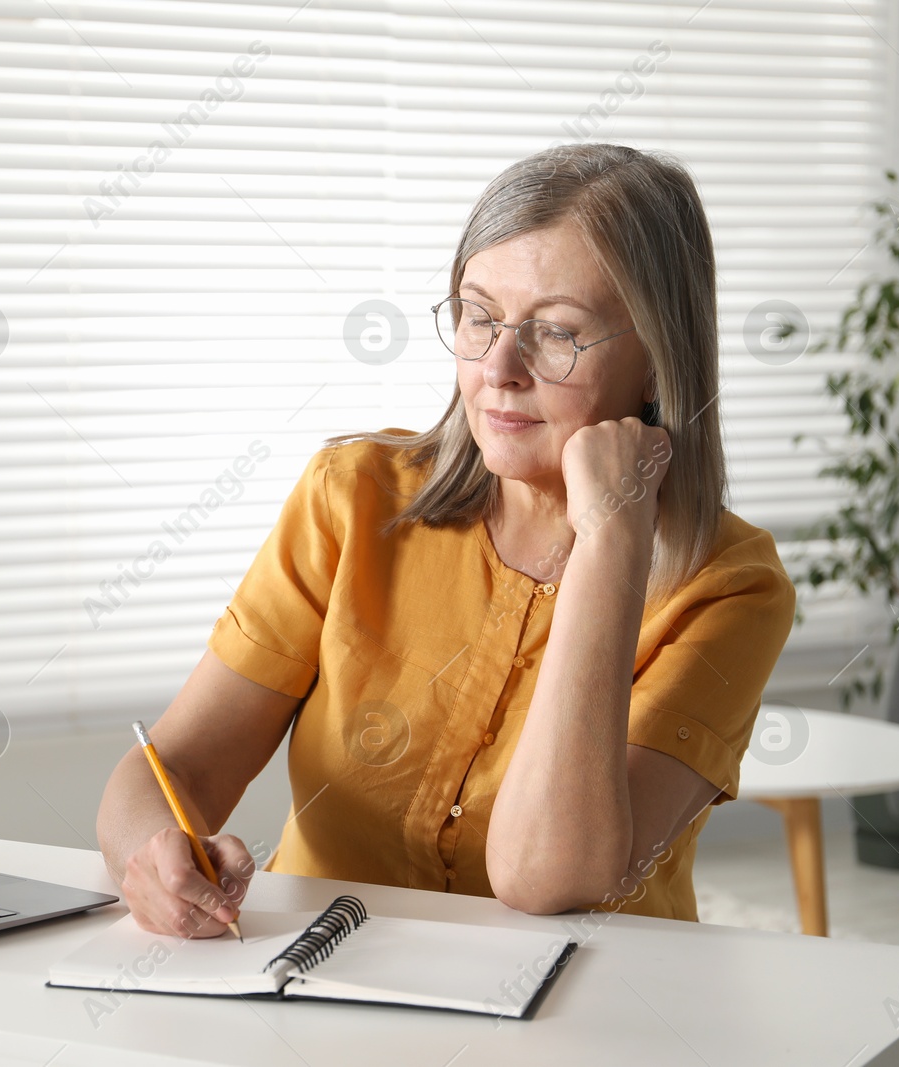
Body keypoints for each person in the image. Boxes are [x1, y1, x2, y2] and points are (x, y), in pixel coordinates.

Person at [95, 143, 797, 938]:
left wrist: (610, 541)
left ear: (657, 362)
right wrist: (150, 859)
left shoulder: (733, 587)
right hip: (318, 984)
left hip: (582, 1016)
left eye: (558, 332)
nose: (498, 366)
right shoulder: (353, 495)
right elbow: (174, 767)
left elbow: (548, 874)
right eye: (478, 314)